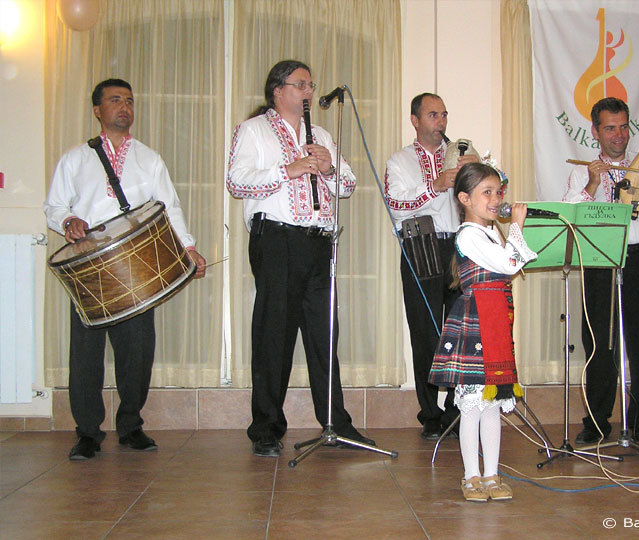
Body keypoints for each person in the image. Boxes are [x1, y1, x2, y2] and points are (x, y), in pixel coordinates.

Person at [43, 78, 207, 461]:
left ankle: (131, 426)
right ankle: (87, 432)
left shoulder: (149, 159)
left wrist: (188, 248)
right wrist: (68, 220)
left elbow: (170, 208)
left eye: (130, 101)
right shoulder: (75, 158)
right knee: (86, 354)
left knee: (137, 350)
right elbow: (53, 206)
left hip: (136, 265)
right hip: (88, 266)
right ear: (98, 110)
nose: (125, 107)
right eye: (115, 100)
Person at [226, 60, 374, 457]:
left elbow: (348, 184)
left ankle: (336, 423)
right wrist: (286, 169)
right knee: (274, 335)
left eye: (311, 85)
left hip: (319, 242)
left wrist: (327, 168)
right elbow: (236, 181)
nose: (309, 92)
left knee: (326, 335)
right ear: (278, 90)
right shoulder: (253, 130)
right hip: (276, 241)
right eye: (301, 84)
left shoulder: (321, 132)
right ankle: (266, 429)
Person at [563, 97, 639, 446]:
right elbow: (570, 214)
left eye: (623, 127)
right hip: (600, 260)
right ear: (596, 131)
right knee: (600, 344)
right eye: (610, 128)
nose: (618, 135)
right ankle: (597, 423)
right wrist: (590, 186)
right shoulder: (582, 170)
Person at [429, 162, 536, 502]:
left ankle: (492, 474)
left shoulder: (491, 232)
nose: (495, 199)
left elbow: (508, 261)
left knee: (493, 404)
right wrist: (517, 226)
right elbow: (508, 264)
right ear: (464, 198)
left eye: (497, 192)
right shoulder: (468, 234)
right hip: (476, 323)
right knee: (473, 404)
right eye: (486, 193)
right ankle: (471, 475)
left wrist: (510, 232)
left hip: (495, 322)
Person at [384, 93, 479, 439]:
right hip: (420, 242)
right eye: (432, 115)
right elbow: (395, 205)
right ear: (415, 120)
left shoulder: (462, 155)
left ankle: (457, 408)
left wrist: (477, 169)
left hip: (459, 245)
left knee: (460, 330)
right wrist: (436, 185)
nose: (440, 122)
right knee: (424, 332)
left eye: (444, 115)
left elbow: (488, 192)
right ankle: (430, 414)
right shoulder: (399, 161)